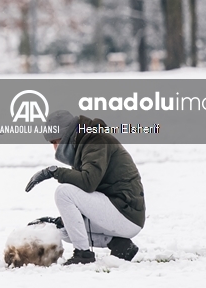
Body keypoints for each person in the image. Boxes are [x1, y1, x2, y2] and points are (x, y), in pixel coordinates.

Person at [25, 110, 145, 265]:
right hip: (119, 214)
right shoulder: (84, 145)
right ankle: (119, 245)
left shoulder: (96, 140)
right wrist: (60, 221)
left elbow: (88, 182)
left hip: (127, 213)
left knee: (63, 192)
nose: (55, 148)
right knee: (62, 229)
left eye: (56, 141)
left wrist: (53, 172)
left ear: (67, 135)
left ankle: (83, 254)